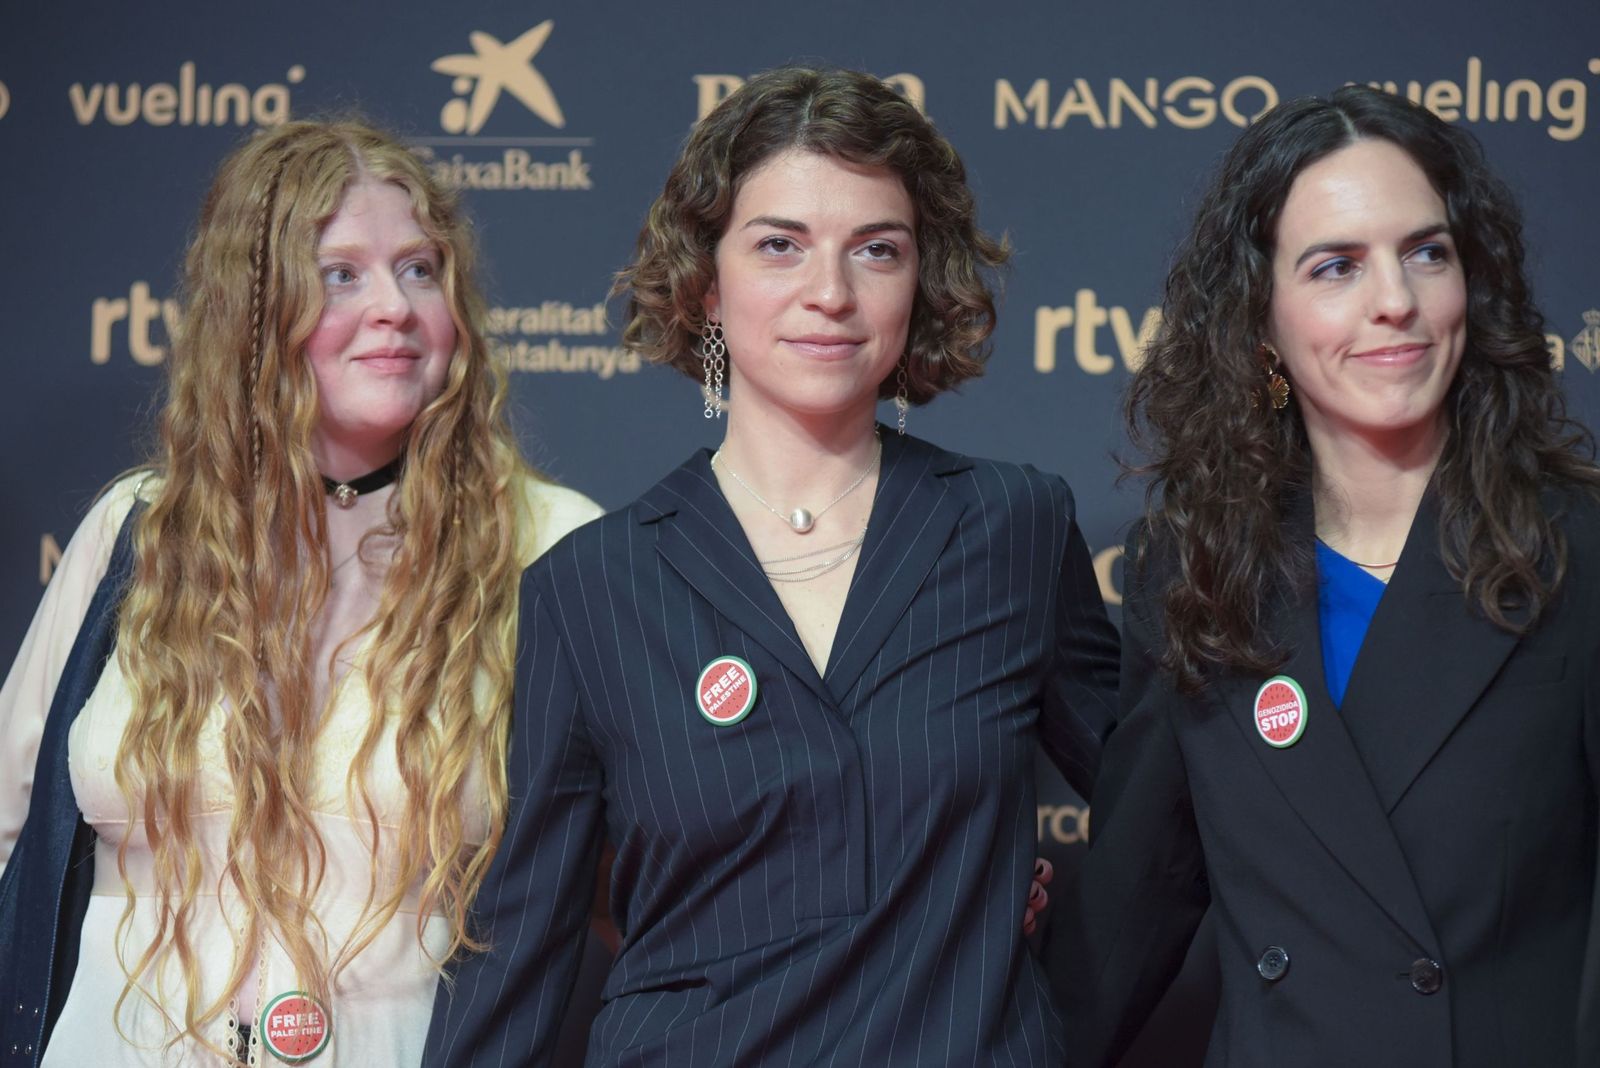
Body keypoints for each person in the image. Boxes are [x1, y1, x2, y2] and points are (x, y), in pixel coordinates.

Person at [422, 65, 1120, 1066]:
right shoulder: (591, 588)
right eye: (779, 246)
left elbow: (1176, 814)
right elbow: (518, 947)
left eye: (875, 250)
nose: (828, 293)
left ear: (919, 280)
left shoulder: (1011, 527)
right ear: (708, 283)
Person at [0, 120, 602, 1066]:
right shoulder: (138, 530)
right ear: (251, 310)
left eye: (419, 270)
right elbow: (9, 819)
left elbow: (636, 880)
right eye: (340, 275)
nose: (394, 308)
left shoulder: (557, 544)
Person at [1054, 86, 1600, 1068]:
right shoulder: (1193, 569)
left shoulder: (1579, 551)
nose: (1395, 298)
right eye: (1336, 266)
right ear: (1260, 319)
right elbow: (1130, 910)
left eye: (1426, 252)